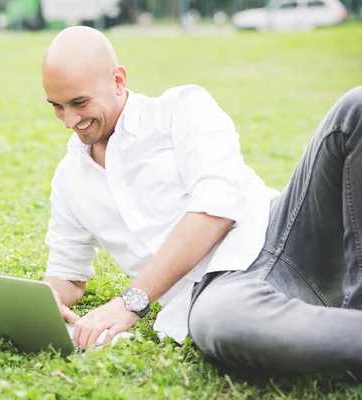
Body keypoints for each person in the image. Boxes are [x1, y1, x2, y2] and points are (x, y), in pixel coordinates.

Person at [40, 26, 362, 380]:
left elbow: (217, 210)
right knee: (221, 322)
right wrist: (43, 301)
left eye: (79, 103)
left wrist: (131, 301)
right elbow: (67, 275)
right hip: (221, 293)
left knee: (354, 109)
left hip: (283, 231)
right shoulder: (70, 178)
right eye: (57, 106)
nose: (69, 120)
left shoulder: (181, 109)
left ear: (118, 80)